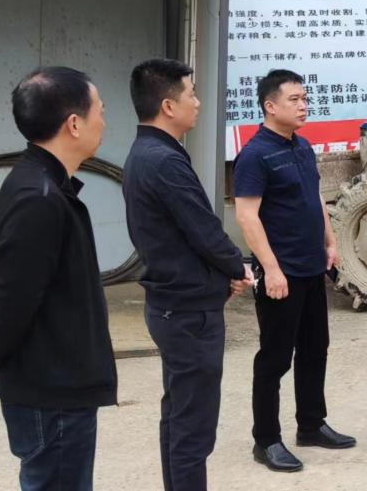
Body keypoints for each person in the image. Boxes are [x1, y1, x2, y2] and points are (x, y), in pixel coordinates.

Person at [0, 67, 117, 491]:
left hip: (57, 384)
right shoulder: (39, 198)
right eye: (101, 111)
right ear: (74, 124)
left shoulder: (43, 185)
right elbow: (13, 297)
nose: (104, 122)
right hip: (53, 394)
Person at [122, 59, 253, 491]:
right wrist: (237, 267)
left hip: (174, 305)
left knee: (179, 417)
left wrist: (224, 271)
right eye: (191, 94)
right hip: (187, 313)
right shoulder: (163, 160)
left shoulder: (149, 153)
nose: (197, 103)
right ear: (167, 106)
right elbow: (203, 229)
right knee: (193, 429)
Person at [234, 69, 355, 472]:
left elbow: (315, 197)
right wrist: (271, 269)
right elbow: (247, 216)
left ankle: (311, 424)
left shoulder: (302, 147)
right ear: (270, 106)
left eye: (305, 98)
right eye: (294, 100)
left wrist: (330, 241)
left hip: (310, 267)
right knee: (274, 358)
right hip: (280, 274)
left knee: (315, 349)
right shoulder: (255, 155)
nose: (304, 106)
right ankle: (266, 440)